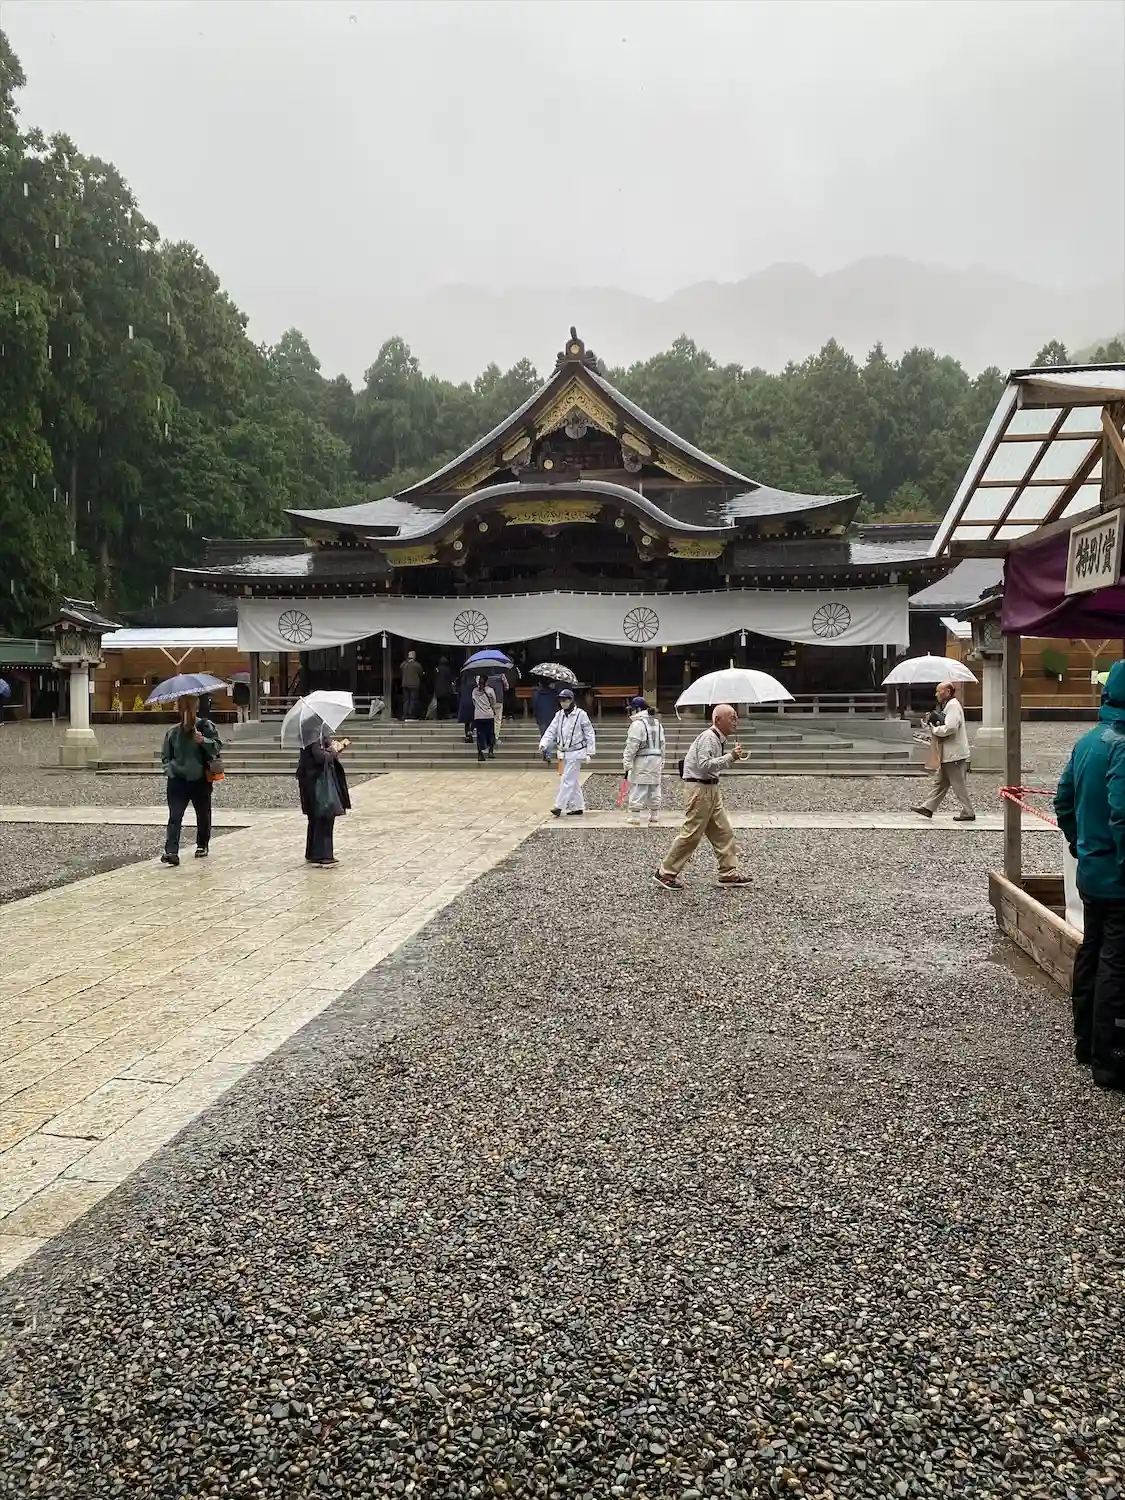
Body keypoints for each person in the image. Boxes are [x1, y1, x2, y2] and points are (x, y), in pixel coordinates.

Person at [1055, 660, 1125, 1088]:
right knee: (1117, 965)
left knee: (1092, 952)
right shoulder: (1122, 745)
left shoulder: (1088, 742)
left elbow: (1063, 800)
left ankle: (1085, 1041)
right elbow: (1123, 815)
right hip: (1118, 878)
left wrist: (1079, 844)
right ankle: (1112, 1058)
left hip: (1093, 871)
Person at [654, 703, 751, 889]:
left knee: (723, 832)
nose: (735, 721)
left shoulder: (718, 739)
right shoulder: (708, 737)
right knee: (691, 833)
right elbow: (704, 765)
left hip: (711, 788)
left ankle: (728, 873)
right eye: (732, 717)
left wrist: (731, 756)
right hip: (700, 789)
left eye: (736, 717)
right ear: (718, 720)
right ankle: (666, 873)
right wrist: (730, 757)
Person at [160, 694, 221, 867]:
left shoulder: (205, 726)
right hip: (178, 779)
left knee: (203, 813)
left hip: (200, 777)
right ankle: (171, 851)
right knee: (175, 816)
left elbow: (217, 746)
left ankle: (202, 844)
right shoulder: (173, 732)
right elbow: (166, 755)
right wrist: (170, 770)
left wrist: (203, 740)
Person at [912, 681, 975, 821]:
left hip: (954, 754)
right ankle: (928, 807)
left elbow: (951, 727)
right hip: (950, 753)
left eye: (939, 691)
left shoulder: (953, 705)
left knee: (958, 784)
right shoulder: (949, 705)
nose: (936, 694)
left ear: (948, 691)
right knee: (941, 783)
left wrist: (935, 729)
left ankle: (968, 811)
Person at [296, 723, 352, 866]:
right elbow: (319, 757)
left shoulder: (312, 733)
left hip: (312, 780)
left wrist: (333, 747)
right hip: (318, 781)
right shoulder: (313, 734)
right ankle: (324, 854)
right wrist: (333, 750)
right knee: (324, 815)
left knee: (315, 817)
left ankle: (313, 852)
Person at [540, 687, 596, 816]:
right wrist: (544, 743)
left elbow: (589, 733)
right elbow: (551, 730)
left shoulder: (581, 714)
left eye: (566, 700)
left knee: (567, 779)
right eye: (561, 700)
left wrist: (589, 752)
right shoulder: (559, 715)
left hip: (576, 752)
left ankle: (559, 806)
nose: (563, 703)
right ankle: (577, 806)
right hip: (563, 753)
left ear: (571, 700)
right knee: (572, 780)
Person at [622, 697, 666, 825]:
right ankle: (654, 814)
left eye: (632, 709)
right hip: (656, 758)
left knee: (639, 786)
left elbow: (632, 745)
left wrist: (627, 762)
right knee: (654, 786)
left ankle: (635, 816)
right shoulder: (657, 723)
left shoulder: (637, 724)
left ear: (638, 709)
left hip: (642, 759)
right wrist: (663, 759)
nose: (630, 712)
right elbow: (662, 744)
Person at [472, 673, 499, 762]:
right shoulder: (490, 690)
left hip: (478, 716)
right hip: (488, 715)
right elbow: (494, 702)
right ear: (487, 681)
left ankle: (480, 754)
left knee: (479, 735)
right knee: (490, 734)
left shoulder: (474, 691)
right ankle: (490, 751)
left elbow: (473, 702)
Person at [487, 669, 509, 742]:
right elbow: (507, 686)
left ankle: (489, 736)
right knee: (498, 719)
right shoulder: (501, 674)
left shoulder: (486, 673)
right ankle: (495, 737)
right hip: (498, 699)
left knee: (489, 719)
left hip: (488, 700)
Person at [401, 649, 424, 720]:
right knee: (413, 700)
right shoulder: (416, 664)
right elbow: (421, 672)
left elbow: (401, 667)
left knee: (406, 700)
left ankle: (405, 714)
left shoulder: (404, 664)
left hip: (405, 684)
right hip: (414, 685)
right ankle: (411, 714)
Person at [457, 670, 476, 744]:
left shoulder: (463, 684)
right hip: (472, 703)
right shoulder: (473, 684)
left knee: (467, 722)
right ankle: (470, 732)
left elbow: (459, 694)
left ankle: (467, 736)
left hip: (464, 704)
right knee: (473, 720)